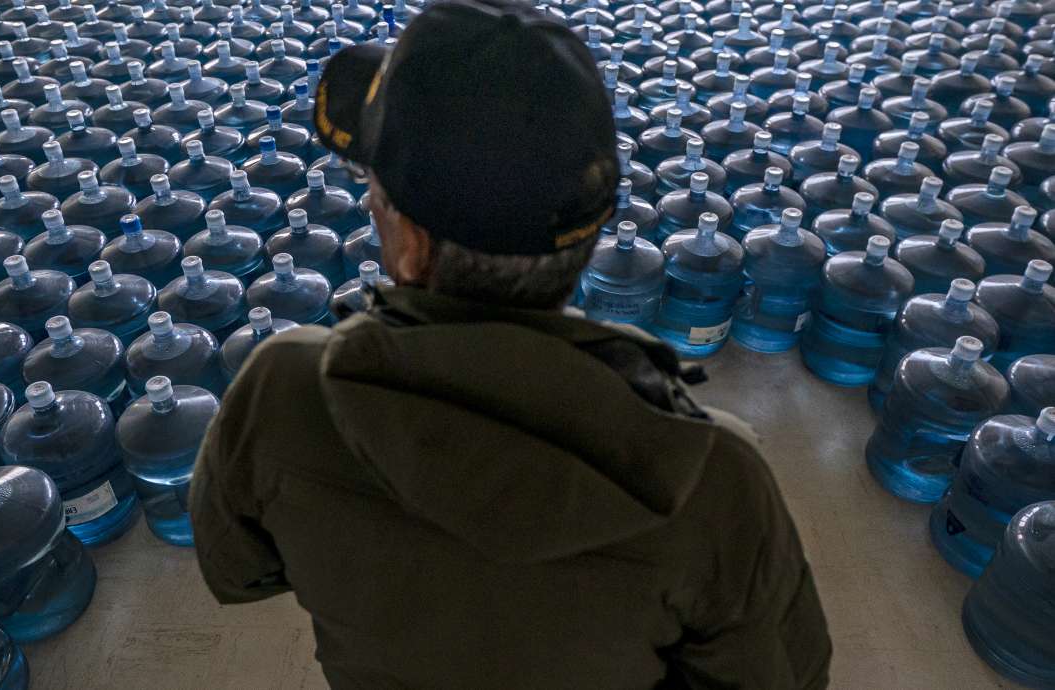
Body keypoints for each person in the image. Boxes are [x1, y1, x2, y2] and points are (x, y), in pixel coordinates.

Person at [190, 1, 832, 687]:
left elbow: (236, 568)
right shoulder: (713, 480)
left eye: (374, 196)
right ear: (591, 236)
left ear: (409, 245)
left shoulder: (281, 394)